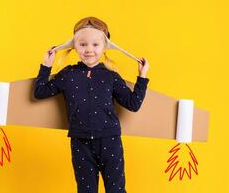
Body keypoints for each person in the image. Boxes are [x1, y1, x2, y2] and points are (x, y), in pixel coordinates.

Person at [33, 16, 150, 193]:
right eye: (83, 44)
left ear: (104, 48)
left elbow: (133, 104)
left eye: (95, 45)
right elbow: (40, 92)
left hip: (110, 141)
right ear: (74, 46)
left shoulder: (111, 76)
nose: (89, 50)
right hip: (80, 142)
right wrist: (46, 66)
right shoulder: (67, 74)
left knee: (116, 190)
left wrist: (142, 77)